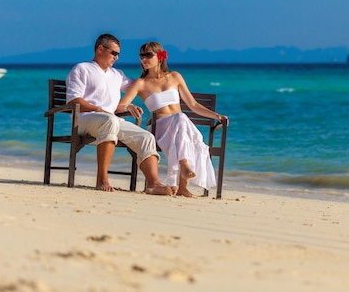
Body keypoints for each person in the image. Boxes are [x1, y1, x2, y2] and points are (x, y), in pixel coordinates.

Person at [117, 41, 229, 197]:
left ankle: (182, 184)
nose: (144, 58)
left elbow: (193, 104)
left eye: (148, 55)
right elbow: (120, 106)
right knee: (181, 118)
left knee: (181, 120)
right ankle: (183, 168)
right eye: (141, 55)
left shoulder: (175, 76)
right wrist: (129, 107)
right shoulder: (140, 83)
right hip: (160, 129)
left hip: (179, 127)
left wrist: (216, 115)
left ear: (160, 56)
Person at [65, 34, 172, 195]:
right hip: (84, 120)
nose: (116, 57)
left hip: (110, 120)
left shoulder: (117, 74)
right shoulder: (82, 69)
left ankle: (153, 183)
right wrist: (98, 109)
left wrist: (129, 105)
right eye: (114, 53)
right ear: (100, 49)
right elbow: (74, 101)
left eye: (118, 54)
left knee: (146, 137)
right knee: (110, 120)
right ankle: (102, 179)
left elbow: (141, 86)